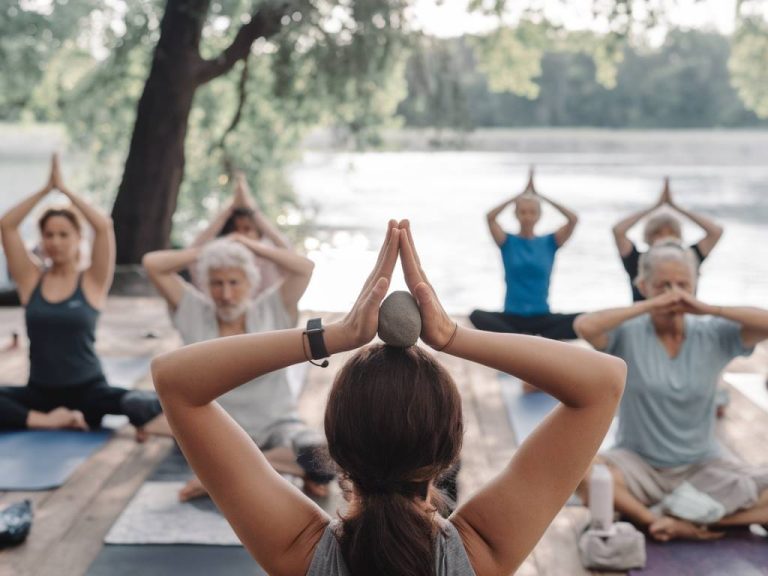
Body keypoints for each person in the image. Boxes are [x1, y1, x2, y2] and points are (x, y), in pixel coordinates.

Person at [151, 219, 626, 576]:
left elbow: (175, 381)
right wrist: (452, 336)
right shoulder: (481, 551)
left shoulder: (299, 550)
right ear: (450, 451)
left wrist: (331, 336)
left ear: (335, 449)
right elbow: (602, 383)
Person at [575, 241, 768, 542]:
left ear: (695, 285)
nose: (674, 293)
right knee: (581, 469)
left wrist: (708, 308)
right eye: (663, 285)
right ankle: (656, 519)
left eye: (682, 285)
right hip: (639, 465)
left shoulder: (715, 333)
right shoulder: (627, 332)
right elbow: (585, 326)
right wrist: (651, 304)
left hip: (704, 467)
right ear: (643, 285)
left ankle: (688, 522)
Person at [143, 233, 332, 501]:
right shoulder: (193, 311)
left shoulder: (273, 308)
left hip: (276, 428)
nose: (226, 294)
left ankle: (223, 479)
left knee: (322, 456)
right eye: (217, 284)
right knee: (135, 406)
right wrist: (209, 249)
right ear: (206, 286)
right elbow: (152, 264)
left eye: (234, 282)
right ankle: (270, 469)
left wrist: (249, 245)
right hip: (216, 433)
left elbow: (305, 268)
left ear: (250, 283)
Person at [0, 154, 165, 437]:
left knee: (143, 402)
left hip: (89, 391)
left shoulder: (92, 280)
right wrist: (44, 191)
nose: (55, 242)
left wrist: (64, 190)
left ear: (79, 238)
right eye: (49, 235)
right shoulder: (31, 280)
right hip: (40, 393)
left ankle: (132, 419)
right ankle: (49, 420)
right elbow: (7, 225)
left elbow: (102, 226)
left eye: (64, 234)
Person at [469, 168, 581, 340]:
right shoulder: (507, 241)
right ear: (516, 215)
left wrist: (541, 195)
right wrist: (519, 195)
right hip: (511, 318)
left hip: (542, 317)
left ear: (539, 216)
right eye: (522, 212)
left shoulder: (551, 242)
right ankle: (528, 339)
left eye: (532, 212)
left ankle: (522, 340)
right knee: (476, 315)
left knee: (582, 319)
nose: (527, 216)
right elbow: (489, 217)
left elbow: (573, 219)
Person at [612, 176, 723, 302]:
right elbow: (618, 230)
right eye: (657, 233)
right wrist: (655, 206)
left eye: (671, 232)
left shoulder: (690, 258)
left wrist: (675, 206)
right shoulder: (637, 261)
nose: (665, 237)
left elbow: (716, 231)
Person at [189, 171, 289, 297]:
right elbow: (192, 251)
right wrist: (229, 209)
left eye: (247, 229)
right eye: (235, 230)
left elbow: (291, 255)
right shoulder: (217, 264)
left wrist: (253, 211)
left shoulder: (270, 261)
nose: (240, 235)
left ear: (259, 234)